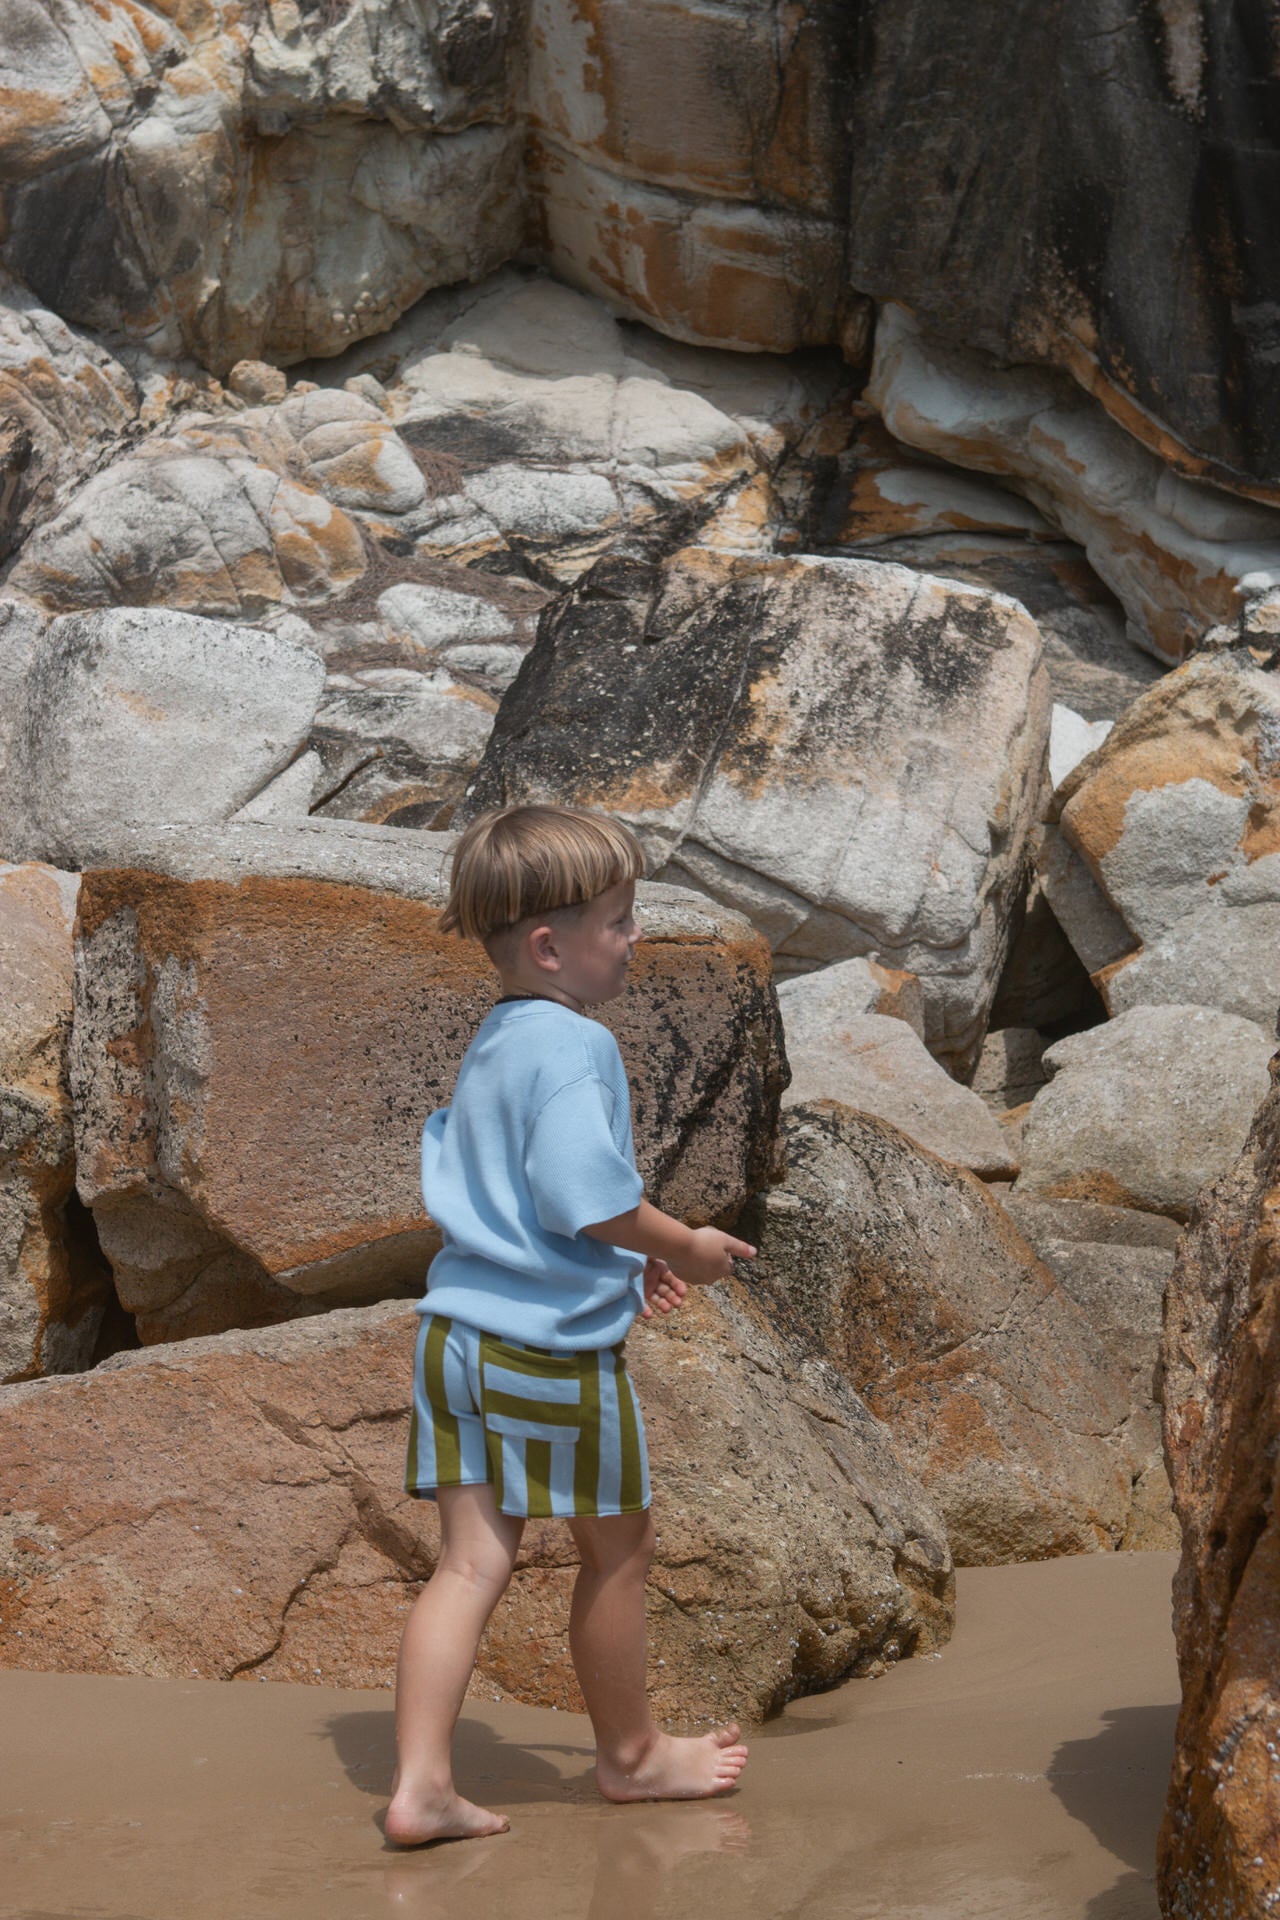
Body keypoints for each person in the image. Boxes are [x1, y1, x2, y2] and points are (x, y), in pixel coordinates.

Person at [385, 803, 754, 1847]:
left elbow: (515, 1202)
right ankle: (631, 1757)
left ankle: (421, 1786)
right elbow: (580, 1195)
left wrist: (623, 1268)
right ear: (550, 948)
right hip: (545, 1356)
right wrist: (681, 1243)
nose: (636, 936)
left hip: (454, 1338)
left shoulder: (496, 1041)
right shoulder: (577, 1046)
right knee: (618, 1550)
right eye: (620, 920)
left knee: (468, 1566)